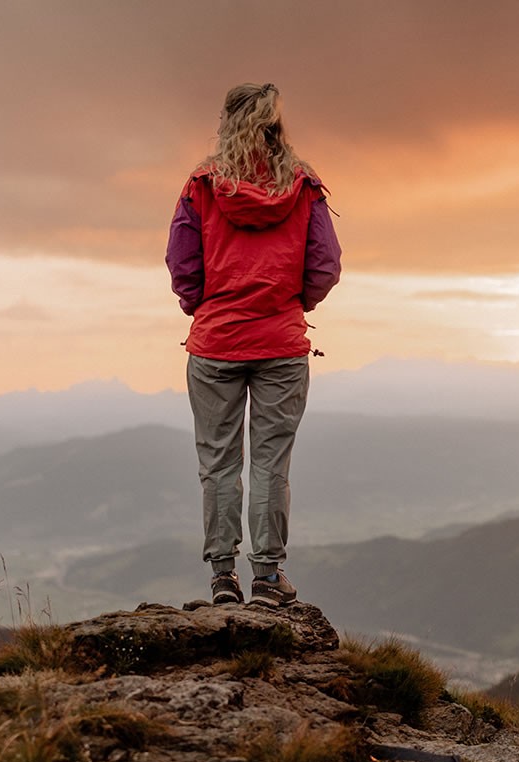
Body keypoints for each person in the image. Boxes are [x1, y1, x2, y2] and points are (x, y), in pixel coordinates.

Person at [165, 82, 341, 607]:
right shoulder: (304, 186)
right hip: (281, 345)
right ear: (276, 124)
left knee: (218, 464)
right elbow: (325, 266)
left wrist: (204, 306)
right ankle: (267, 578)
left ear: (226, 121)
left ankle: (223, 578)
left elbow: (182, 264)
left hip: (216, 342)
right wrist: (293, 305)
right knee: (270, 464)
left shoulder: (201, 184)